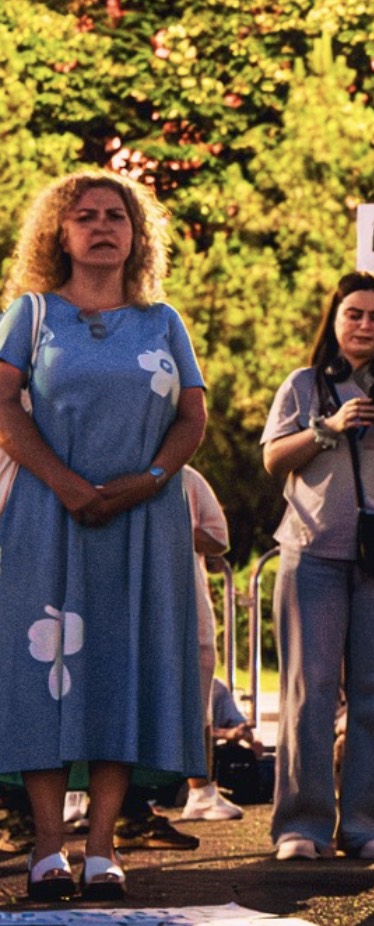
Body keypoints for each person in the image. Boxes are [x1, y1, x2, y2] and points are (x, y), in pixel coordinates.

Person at [0, 170, 208, 902]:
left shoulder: (164, 323)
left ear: (135, 232)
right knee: (45, 671)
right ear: (60, 233)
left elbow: (192, 417)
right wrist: (63, 483)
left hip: (141, 520)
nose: (100, 226)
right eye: (83, 216)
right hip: (44, 515)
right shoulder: (30, 315)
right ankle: (48, 849)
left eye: (114, 215)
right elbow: (2, 407)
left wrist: (149, 479)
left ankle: (103, 846)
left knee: (123, 665)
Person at [262, 271, 374, 862]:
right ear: (336, 319)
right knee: (310, 692)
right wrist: (328, 428)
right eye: (354, 314)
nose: (365, 327)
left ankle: (369, 825)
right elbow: (274, 459)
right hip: (313, 552)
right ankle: (302, 825)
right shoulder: (304, 385)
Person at [178, 465, 241, 823]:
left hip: (189, 603)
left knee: (196, 702)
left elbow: (219, 538)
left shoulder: (188, 477)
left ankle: (201, 790)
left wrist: (174, 527)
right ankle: (78, 798)